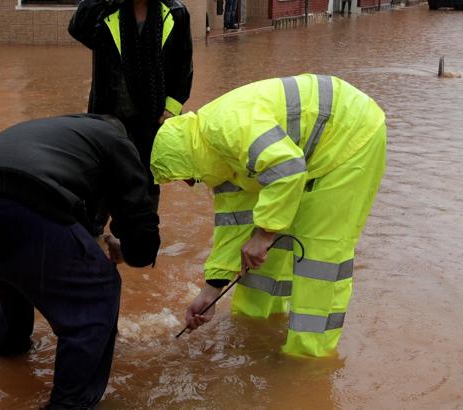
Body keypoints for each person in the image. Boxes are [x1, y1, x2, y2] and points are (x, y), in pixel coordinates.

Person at [0, 114, 160, 410]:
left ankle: (7, 357)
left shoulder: (60, 137)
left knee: (15, 273)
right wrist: (127, 250)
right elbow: (142, 234)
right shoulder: (116, 140)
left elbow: (68, 220)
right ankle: (71, 405)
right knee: (99, 288)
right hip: (20, 207)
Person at [151, 74, 387, 357]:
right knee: (259, 251)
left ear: (185, 157)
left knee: (317, 256)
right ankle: (254, 329)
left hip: (351, 137)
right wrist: (210, 292)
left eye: (183, 177)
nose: (189, 184)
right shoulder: (220, 163)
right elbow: (234, 227)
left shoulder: (228, 128)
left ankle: (309, 360)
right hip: (309, 151)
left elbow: (288, 168)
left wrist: (264, 234)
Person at [68, 0, 193, 203]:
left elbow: (184, 65)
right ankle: (98, 232)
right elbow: (77, 27)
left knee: (147, 177)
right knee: (103, 175)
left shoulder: (176, 14)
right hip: (109, 113)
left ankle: (140, 237)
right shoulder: (110, 11)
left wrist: (172, 107)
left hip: (152, 115)